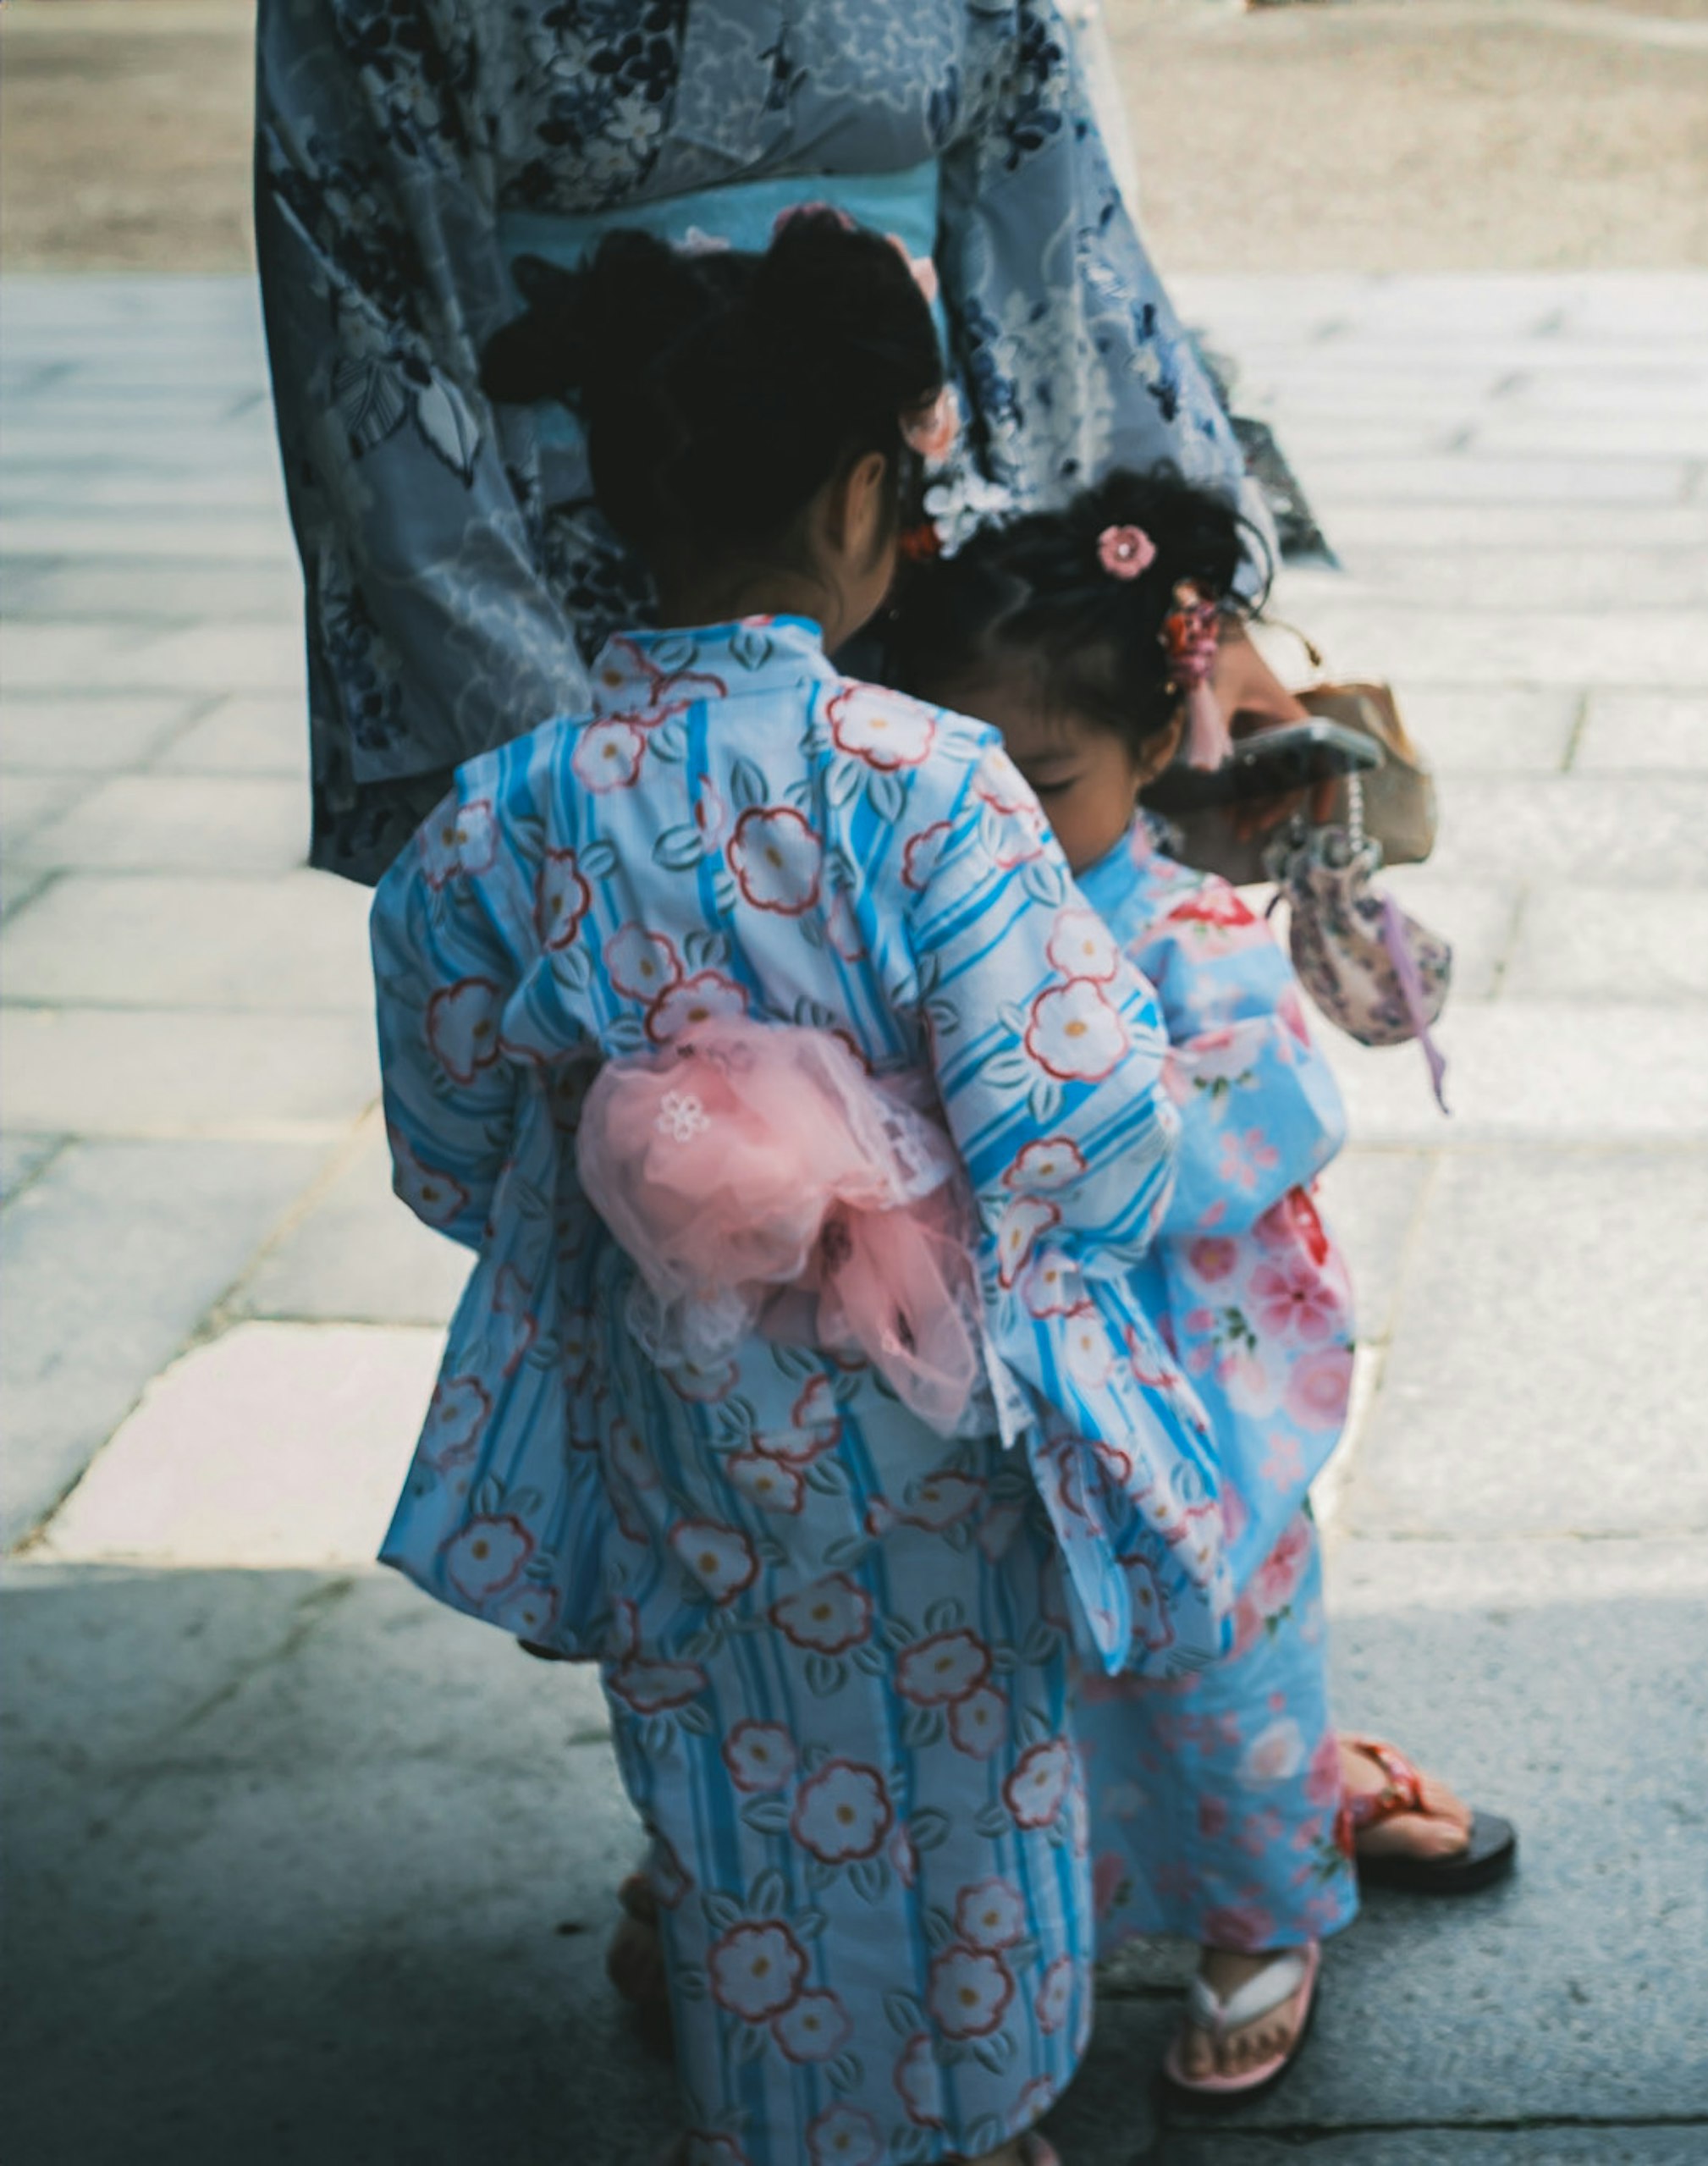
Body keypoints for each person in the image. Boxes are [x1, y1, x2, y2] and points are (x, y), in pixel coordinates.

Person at [369, 210, 1242, 2166]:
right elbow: (1082, 1132)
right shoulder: (927, 779)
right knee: (972, 1759)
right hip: (928, 1408)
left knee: (737, 1770)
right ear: (863, 492)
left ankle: (785, 2120)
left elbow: (448, 1134)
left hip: (675, 1409)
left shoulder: (510, 807)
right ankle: (992, 2114)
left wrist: (650, 1190)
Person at [885, 471, 1515, 2100]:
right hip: (1004, 1372)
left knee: (1215, 1651)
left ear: (1155, 749)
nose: (1000, 823)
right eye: (963, 781)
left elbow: (1266, 1115)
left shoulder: (1191, 932)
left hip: (1181, 1373)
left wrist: (1049, 1133)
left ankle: (1261, 1912)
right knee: (1021, 1650)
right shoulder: (915, 907)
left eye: (1044, 778)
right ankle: (1048, 1912)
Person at [256, 0, 1300, 882]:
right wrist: (560, 775)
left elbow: (1054, 238)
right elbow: (377, 340)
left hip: (907, 556)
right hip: (579, 568)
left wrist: (1161, 615)